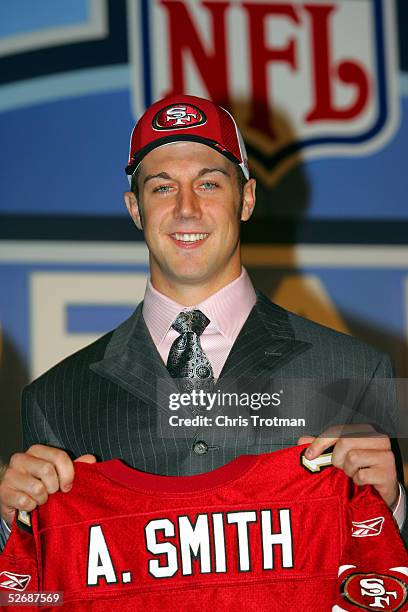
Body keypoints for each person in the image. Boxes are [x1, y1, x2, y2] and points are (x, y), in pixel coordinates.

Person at [0, 94, 406, 550]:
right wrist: (13, 526)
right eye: (163, 187)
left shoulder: (354, 370)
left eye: (209, 184)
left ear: (247, 199)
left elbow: (383, 580)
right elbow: (39, 586)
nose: (187, 208)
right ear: (135, 209)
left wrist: (393, 508)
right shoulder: (55, 399)